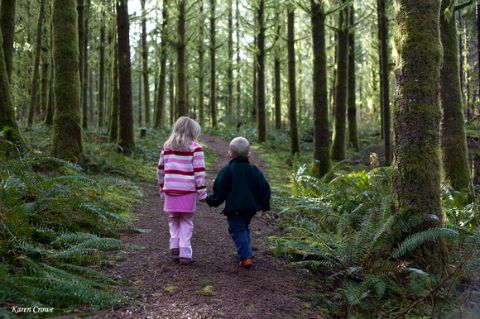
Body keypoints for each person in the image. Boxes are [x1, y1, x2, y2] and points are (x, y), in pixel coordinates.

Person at [205, 137, 271, 268]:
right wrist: (265, 205)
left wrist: (211, 200)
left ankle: (246, 256)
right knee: (244, 228)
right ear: (249, 154)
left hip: (235, 208)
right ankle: (245, 253)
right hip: (250, 208)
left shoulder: (228, 170)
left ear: (230, 153)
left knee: (237, 229)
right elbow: (264, 188)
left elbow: (220, 189)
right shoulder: (255, 170)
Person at [157, 116, 207, 265]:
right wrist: (202, 192)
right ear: (193, 132)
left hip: (170, 189)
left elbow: (160, 170)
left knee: (173, 218)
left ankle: (174, 244)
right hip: (187, 191)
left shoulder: (167, 147)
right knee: (186, 220)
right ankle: (185, 251)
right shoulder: (196, 148)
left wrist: (162, 188)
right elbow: (199, 173)